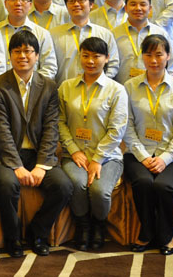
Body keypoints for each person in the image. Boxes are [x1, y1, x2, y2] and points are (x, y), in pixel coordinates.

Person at [0, 30, 72, 258]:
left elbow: (51, 128)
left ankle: (38, 233)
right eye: (17, 51)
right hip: (6, 155)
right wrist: (17, 166)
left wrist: (41, 165)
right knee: (7, 185)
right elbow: (1, 131)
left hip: (37, 155)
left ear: (37, 56)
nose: (22, 56)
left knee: (63, 186)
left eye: (28, 51)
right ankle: (13, 237)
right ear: (10, 55)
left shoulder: (49, 86)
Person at [123, 34, 173, 256]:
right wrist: (143, 157)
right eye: (148, 54)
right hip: (138, 153)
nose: (154, 60)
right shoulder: (130, 87)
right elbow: (127, 126)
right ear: (142, 56)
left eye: (159, 54)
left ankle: (167, 234)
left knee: (164, 186)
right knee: (143, 182)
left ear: (168, 56)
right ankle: (146, 232)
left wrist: (164, 159)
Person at [58, 37, 127, 251]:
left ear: (106, 59)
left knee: (99, 190)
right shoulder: (66, 87)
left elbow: (117, 130)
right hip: (74, 154)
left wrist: (97, 159)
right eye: (85, 55)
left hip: (107, 157)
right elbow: (60, 122)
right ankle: (83, 225)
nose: (90, 61)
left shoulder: (116, 90)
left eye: (96, 56)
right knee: (77, 184)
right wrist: (73, 150)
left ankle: (99, 225)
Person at [50, 0, 120, 83]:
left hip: (98, 90)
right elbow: (49, 65)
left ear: (91, 4)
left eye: (81, 0)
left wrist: (100, 83)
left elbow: (113, 64)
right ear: (66, 5)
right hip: (64, 90)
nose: (76, 4)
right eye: (71, 1)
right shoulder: (53, 34)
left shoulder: (105, 34)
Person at [112, 0, 173, 83]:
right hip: (122, 89)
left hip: (155, 89)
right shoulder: (114, 34)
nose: (138, 8)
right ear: (125, 8)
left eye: (143, 4)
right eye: (133, 4)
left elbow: (171, 65)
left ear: (150, 9)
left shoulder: (160, 33)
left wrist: (170, 86)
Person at [0, 0, 57, 80]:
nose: (18, 3)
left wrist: (29, 84)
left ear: (30, 4)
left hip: (33, 88)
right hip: (0, 87)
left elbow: (49, 68)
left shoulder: (42, 34)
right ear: (5, 3)